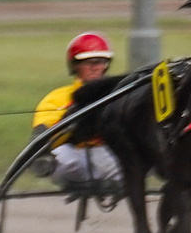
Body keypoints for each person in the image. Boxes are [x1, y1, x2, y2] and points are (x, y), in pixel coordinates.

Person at [30, 32, 124, 194]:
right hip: (77, 159)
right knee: (59, 155)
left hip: (109, 155)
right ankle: (56, 171)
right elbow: (43, 130)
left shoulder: (119, 92)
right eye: (88, 62)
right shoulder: (58, 97)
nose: (95, 67)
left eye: (100, 62)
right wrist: (70, 120)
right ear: (75, 66)